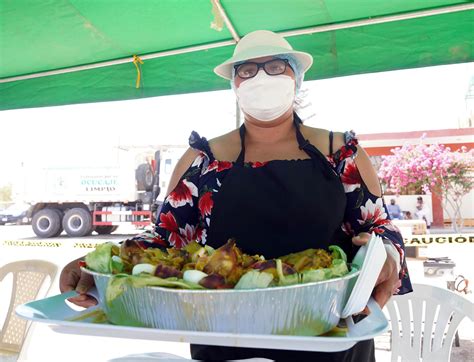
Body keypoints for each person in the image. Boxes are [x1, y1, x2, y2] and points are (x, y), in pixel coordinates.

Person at [60, 30, 412, 361]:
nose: (262, 78)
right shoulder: (202, 161)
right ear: (234, 85)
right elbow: (164, 240)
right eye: (247, 70)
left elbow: (381, 229)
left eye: (276, 67)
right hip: (226, 340)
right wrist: (101, 268)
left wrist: (387, 259)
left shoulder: (341, 153)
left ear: (296, 80)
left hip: (331, 338)